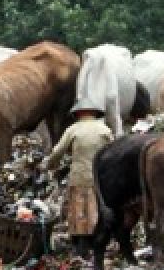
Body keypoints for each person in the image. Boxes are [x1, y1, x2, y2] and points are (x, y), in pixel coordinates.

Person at [45, 100, 114, 257]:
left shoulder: (73, 130)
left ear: (78, 113)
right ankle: (98, 243)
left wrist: (49, 165)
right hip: (101, 177)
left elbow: (58, 151)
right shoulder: (105, 130)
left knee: (80, 210)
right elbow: (114, 151)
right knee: (97, 207)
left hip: (79, 176)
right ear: (95, 112)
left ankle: (81, 247)